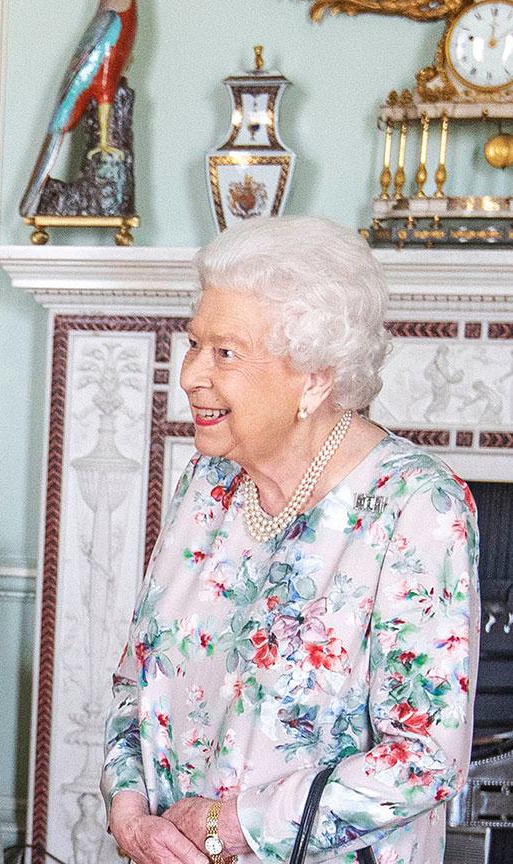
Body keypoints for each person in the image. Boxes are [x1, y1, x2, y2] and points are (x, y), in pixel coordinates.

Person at [102, 217, 479, 864]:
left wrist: (236, 825)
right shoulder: (207, 484)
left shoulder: (415, 508)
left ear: (313, 378)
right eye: (194, 345)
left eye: (225, 353)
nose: (190, 374)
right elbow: (135, 680)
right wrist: (129, 810)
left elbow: (425, 761)